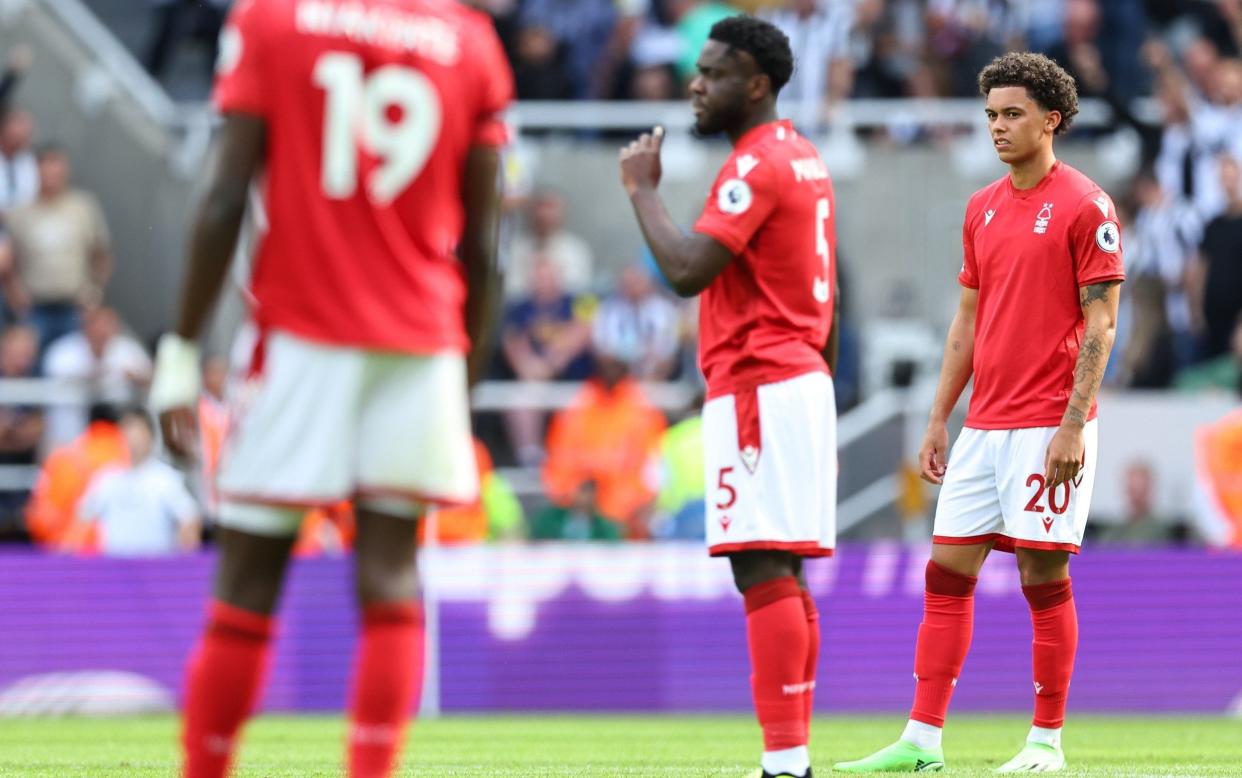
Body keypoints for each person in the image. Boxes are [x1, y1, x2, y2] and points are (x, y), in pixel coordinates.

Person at [146, 1, 512, 775]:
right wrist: (462, 377)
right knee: (388, 575)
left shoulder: (274, 19)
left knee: (248, 577)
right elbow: (484, 244)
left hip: (302, 332)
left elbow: (222, 199)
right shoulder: (469, 41)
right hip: (421, 344)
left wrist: (180, 354)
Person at [834, 52, 1125, 773]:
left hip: (1047, 425)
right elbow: (966, 322)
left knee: (1042, 578)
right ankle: (922, 740)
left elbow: (1103, 326)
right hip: (984, 425)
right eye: (991, 114)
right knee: (945, 576)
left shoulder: (1088, 205)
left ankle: (1046, 743)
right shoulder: (982, 207)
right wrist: (939, 418)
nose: (997, 127)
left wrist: (1072, 425)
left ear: (1050, 119)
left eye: (1012, 114)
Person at [619, 17, 839, 778]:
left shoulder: (756, 165)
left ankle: (785, 762)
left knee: (761, 568)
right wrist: (817, 380)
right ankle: (791, 755)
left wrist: (642, 193)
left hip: (760, 382)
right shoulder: (804, 157)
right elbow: (830, 295)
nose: (695, 85)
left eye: (712, 73)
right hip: (799, 378)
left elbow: (685, 269)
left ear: (755, 84)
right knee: (782, 568)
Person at [4, 144, 112, 354]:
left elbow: (101, 254)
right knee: (29, 364)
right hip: (35, 307)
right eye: (45, 165)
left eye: (56, 165)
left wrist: (95, 292)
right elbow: (9, 261)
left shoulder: (83, 208)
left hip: (75, 305)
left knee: (71, 363)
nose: (51, 173)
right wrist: (16, 299)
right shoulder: (21, 213)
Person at [73, 407, 202, 556]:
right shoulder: (106, 478)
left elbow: (190, 518)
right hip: (114, 571)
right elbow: (81, 521)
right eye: (126, 431)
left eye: (137, 432)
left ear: (150, 436)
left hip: (155, 569)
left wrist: (182, 561)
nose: (131, 438)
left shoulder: (165, 478)